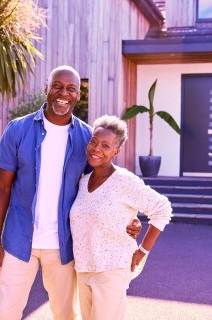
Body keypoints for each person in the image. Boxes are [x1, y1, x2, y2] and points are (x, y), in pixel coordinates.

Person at [0, 65, 141, 320]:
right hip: (17, 240)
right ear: (47, 88)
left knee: (66, 314)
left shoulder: (86, 138)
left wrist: (127, 218)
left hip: (64, 245)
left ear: (78, 95)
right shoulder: (17, 130)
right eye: (57, 86)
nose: (63, 93)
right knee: (4, 313)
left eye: (71, 88)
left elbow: (101, 186)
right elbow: (2, 188)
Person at [70, 115, 173, 320]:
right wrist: (133, 222)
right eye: (94, 142)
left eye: (105, 145)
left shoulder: (124, 181)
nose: (96, 148)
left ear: (116, 151)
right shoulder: (83, 181)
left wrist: (142, 251)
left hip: (111, 270)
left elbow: (162, 208)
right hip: (83, 269)